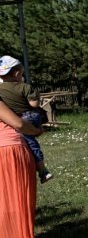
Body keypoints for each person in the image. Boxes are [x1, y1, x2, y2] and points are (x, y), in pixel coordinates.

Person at [0, 96, 42, 238]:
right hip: (9, 150)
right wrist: (35, 131)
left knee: (3, 201)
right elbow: (18, 124)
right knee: (20, 199)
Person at [0, 55, 53, 183]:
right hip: (29, 116)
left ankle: (41, 169)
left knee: (28, 141)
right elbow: (34, 105)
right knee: (31, 142)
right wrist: (37, 97)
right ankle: (42, 169)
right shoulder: (24, 87)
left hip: (15, 119)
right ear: (17, 73)